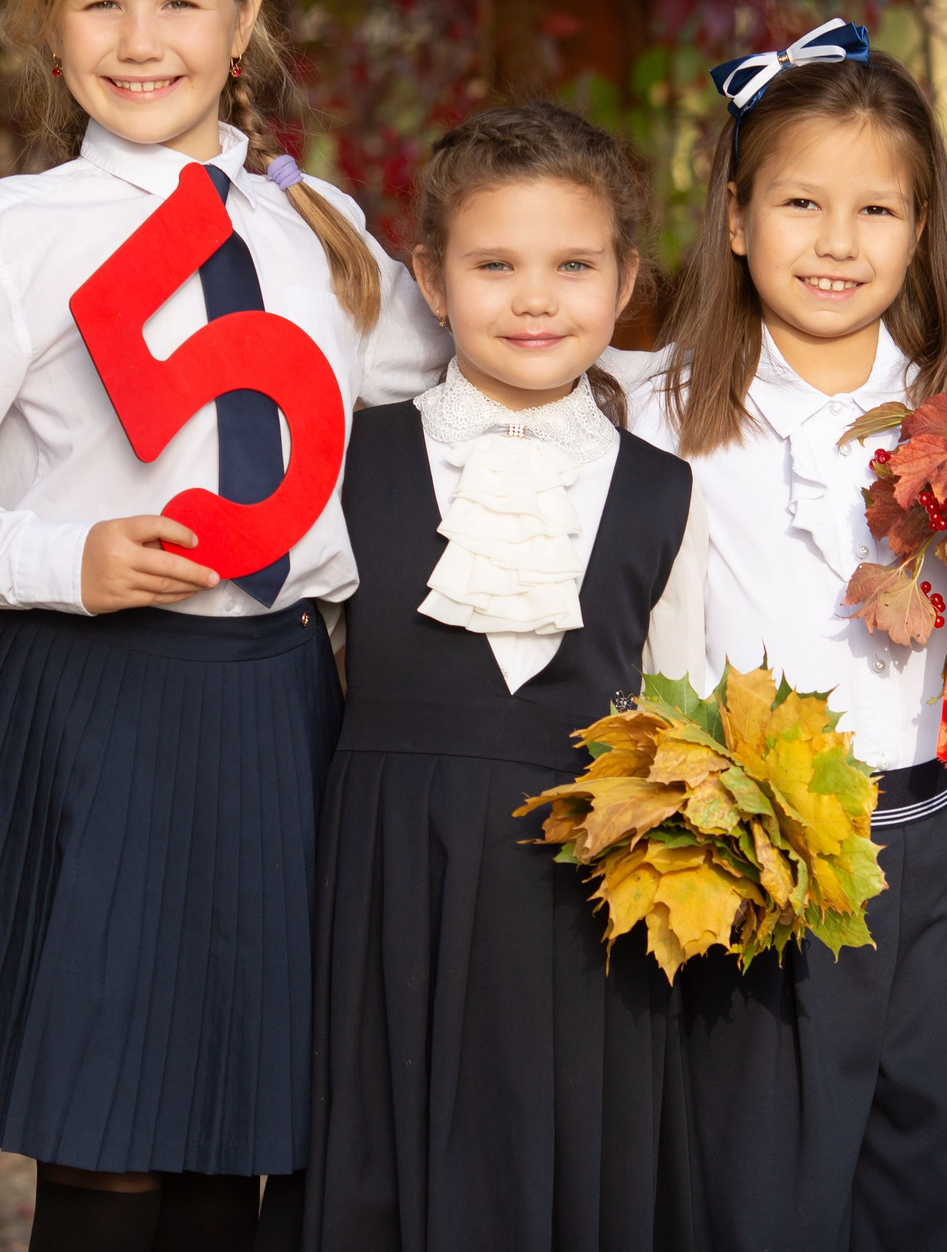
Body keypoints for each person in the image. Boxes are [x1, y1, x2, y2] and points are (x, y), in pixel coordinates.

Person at [0, 0, 446, 1252]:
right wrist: (63, 559)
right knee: (108, 1139)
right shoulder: (15, 233)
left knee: (243, 1132)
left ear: (248, 13)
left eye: (180, 1)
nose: (142, 40)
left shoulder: (320, 227)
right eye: (103, 2)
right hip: (90, 705)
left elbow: (466, 387)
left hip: (280, 712)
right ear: (51, 16)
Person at [623, 25, 947, 1251]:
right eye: (800, 202)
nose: (836, 241)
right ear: (733, 217)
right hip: (752, 862)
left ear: (920, 231)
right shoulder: (650, 410)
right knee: (754, 1198)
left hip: (943, 855)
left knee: (946, 1192)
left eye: (876, 209)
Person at [305, 103, 710, 1252]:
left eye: (572, 265)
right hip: (385, 884)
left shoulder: (663, 491)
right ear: (430, 281)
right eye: (495, 265)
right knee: (384, 1164)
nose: (535, 298)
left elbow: (679, 705)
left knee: (561, 1170)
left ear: (625, 281)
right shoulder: (352, 458)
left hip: (581, 898)